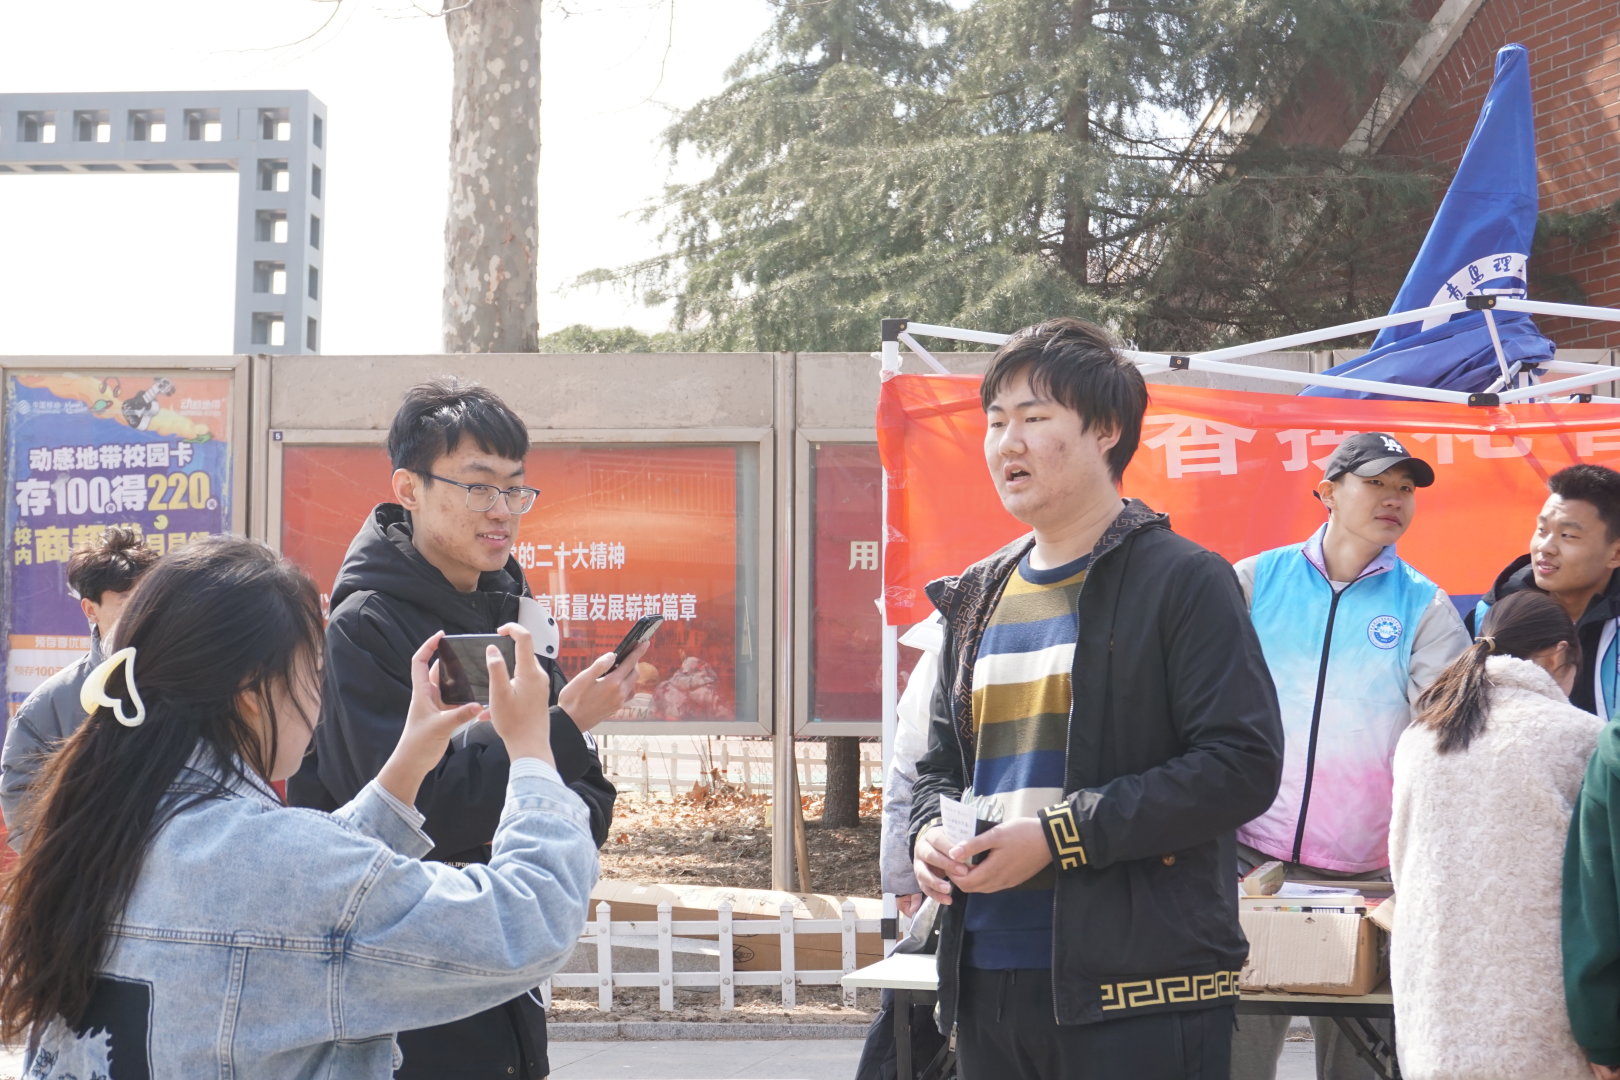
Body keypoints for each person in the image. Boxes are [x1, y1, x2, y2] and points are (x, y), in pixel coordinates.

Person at [0, 537, 598, 1078]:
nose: (319, 701)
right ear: (251, 690)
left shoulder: (98, 825)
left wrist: (411, 758)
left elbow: (302, 889)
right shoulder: (280, 864)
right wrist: (531, 750)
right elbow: (528, 922)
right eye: (313, 674)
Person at [908, 316, 1283, 1080]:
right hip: (985, 974)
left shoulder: (1184, 579)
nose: (1007, 443)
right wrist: (928, 835)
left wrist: (1059, 837)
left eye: (1034, 418)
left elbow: (1241, 765)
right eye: (995, 422)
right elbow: (939, 768)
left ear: (1106, 430)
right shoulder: (978, 593)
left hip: (1141, 991)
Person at [287, 378, 642, 1080]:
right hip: (405, 987)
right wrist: (559, 735)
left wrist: (546, 792)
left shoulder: (513, 608)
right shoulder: (365, 627)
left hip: (505, 973)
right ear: (409, 488)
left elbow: (587, 798)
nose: (502, 510)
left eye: (515, 489)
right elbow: (405, 817)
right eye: (478, 487)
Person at [1229, 432, 1470, 1080]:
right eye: (1376, 482)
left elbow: (1446, 739)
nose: (1394, 498)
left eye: (1405, 488)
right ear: (1328, 492)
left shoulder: (1424, 606)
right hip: (1248, 862)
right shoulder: (1253, 581)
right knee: (1235, 1051)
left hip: (1369, 877)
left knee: (1361, 1062)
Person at [1391, 590, 1596, 1080]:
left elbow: (1401, 862)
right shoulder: (1582, 737)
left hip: (1435, 1012)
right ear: (1560, 655)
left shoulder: (1420, 736)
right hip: (1545, 1019)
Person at [1, 525, 160, 850]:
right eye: (127, 601)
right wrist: (78, 860)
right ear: (90, 609)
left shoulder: (187, 684)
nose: (143, 613)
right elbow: (21, 798)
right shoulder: (52, 702)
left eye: (149, 599)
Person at [1472, 463, 1620, 718]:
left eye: (1568, 535)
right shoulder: (1494, 613)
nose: (1545, 547)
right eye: (1542, 530)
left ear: (1615, 554)